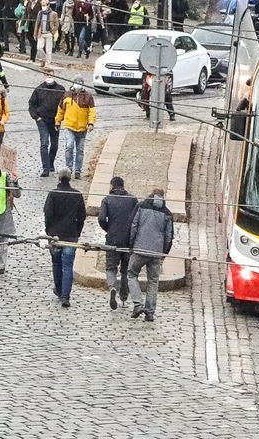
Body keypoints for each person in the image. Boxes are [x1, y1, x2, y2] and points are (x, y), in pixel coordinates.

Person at [126, 187, 175, 322]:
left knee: (131, 274)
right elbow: (169, 236)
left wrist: (131, 244)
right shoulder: (167, 213)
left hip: (139, 249)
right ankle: (150, 312)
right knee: (153, 281)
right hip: (156, 252)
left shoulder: (141, 206)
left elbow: (133, 225)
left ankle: (137, 304)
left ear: (151, 195)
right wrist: (164, 252)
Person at [43, 170, 86, 308]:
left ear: (59, 178)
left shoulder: (53, 194)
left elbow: (48, 214)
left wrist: (48, 231)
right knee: (68, 266)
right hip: (71, 234)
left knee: (56, 263)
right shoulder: (77, 195)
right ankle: (66, 296)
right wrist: (77, 232)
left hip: (55, 234)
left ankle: (59, 290)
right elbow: (82, 216)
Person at [97, 175, 138, 310]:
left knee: (110, 267)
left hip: (112, 238)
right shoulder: (132, 200)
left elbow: (102, 218)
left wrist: (108, 228)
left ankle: (112, 286)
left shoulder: (107, 200)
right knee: (126, 269)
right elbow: (137, 220)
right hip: (128, 240)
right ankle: (124, 297)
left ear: (112, 186)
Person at [26, 69, 65, 176]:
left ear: (54, 75)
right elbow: (31, 104)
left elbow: (64, 105)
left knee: (54, 144)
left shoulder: (60, 89)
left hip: (55, 120)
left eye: (51, 74)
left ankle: (51, 163)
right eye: (47, 74)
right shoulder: (39, 89)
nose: (49, 76)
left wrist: (60, 118)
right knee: (44, 143)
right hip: (42, 119)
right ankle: (45, 168)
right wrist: (36, 117)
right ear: (44, 75)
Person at [56, 84, 95, 177]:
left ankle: (78, 170)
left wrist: (91, 123)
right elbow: (61, 110)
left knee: (80, 150)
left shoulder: (88, 96)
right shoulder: (66, 95)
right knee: (69, 147)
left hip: (82, 128)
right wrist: (57, 121)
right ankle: (69, 169)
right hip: (69, 126)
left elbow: (92, 111)